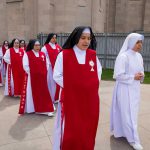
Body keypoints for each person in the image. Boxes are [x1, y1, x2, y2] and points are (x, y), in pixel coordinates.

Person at [53, 26, 102, 150]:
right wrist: (75, 86)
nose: (86, 41)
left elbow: (98, 74)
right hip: (71, 99)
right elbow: (57, 75)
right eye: (83, 38)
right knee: (71, 129)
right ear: (76, 38)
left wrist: (87, 87)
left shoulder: (93, 55)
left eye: (89, 38)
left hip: (89, 100)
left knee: (87, 127)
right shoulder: (64, 55)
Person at [110, 33, 144, 150]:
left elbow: (141, 71)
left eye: (141, 42)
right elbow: (118, 75)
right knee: (127, 113)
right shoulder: (123, 56)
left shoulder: (139, 56)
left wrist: (141, 75)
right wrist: (132, 77)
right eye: (137, 42)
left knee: (131, 113)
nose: (140, 45)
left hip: (135, 89)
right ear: (130, 42)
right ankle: (133, 139)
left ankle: (121, 132)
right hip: (124, 89)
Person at [19, 39, 55, 116]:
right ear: (32, 45)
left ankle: (45, 108)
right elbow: (25, 65)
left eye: (39, 45)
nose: (38, 47)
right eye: (36, 45)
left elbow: (47, 64)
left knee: (44, 92)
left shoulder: (42, 54)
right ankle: (32, 108)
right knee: (32, 93)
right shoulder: (27, 54)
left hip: (42, 78)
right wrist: (33, 73)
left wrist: (44, 73)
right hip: (32, 78)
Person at [41, 33, 62, 103]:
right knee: (50, 83)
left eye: (55, 38)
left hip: (57, 68)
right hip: (49, 68)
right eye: (52, 38)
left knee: (58, 83)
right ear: (49, 38)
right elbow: (42, 58)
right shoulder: (45, 48)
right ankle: (50, 98)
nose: (54, 39)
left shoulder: (58, 47)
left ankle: (56, 98)